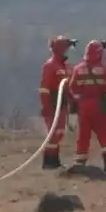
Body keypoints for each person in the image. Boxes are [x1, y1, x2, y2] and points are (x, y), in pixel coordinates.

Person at [69, 40, 106, 176]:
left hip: (83, 106)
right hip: (100, 105)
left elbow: (72, 88)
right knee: (104, 134)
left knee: (83, 135)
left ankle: (80, 163)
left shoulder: (78, 68)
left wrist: (76, 103)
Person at [39, 35, 77, 169]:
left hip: (62, 103)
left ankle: (55, 160)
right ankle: (49, 161)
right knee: (54, 133)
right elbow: (44, 88)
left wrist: (73, 102)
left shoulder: (65, 67)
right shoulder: (50, 65)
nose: (68, 51)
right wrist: (46, 106)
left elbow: (68, 86)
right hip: (52, 103)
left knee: (59, 132)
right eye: (66, 48)